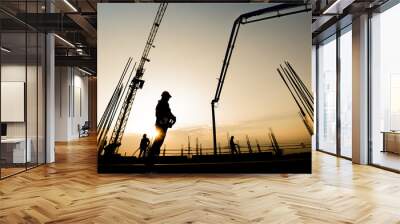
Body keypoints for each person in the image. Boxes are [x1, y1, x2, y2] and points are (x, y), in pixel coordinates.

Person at [148, 91, 176, 158]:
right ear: (164, 97)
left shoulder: (165, 104)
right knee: (158, 140)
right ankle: (152, 155)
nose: (169, 98)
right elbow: (158, 114)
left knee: (160, 140)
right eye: (168, 97)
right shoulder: (161, 104)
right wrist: (164, 121)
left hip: (164, 125)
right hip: (161, 125)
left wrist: (173, 118)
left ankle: (154, 155)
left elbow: (168, 113)